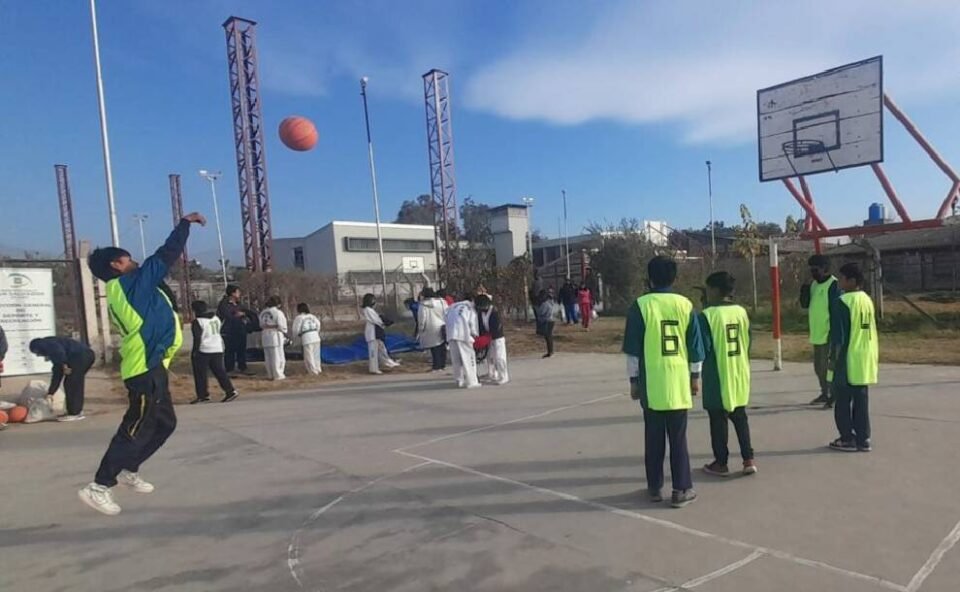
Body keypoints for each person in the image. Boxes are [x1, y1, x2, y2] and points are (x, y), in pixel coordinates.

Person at [80, 211, 206, 516]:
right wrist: (185, 224)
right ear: (116, 265)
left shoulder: (129, 287)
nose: (134, 262)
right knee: (136, 426)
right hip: (143, 367)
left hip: (153, 365)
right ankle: (99, 485)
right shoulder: (130, 283)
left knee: (165, 423)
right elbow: (166, 254)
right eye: (128, 259)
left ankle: (128, 469)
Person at [622, 255, 705, 508]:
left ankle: (655, 486)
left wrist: (634, 381)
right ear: (674, 278)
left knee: (653, 437)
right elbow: (695, 348)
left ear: (648, 279)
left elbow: (633, 350)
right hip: (678, 381)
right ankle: (681, 489)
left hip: (652, 383)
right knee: (678, 438)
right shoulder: (685, 304)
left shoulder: (640, 306)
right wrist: (695, 377)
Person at [698, 272, 757, 477]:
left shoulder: (707, 315)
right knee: (740, 416)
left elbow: (702, 347)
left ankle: (721, 462)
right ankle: (748, 459)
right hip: (739, 369)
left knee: (718, 418)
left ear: (714, 290)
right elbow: (749, 340)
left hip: (717, 372)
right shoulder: (741, 311)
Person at [828, 263, 878, 452]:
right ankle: (863, 438)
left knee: (842, 400)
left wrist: (833, 361)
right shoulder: (866, 299)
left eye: (842, 278)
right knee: (861, 399)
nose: (840, 282)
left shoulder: (842, 302)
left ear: (852, 281)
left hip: (849, 356)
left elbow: (838, 337)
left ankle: (847, 438)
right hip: (866, 354)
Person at [800, 255, 841, 408]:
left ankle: (832, 394)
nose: (812, 272)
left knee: (829, 367)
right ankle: (825, 392)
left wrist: (834, 334)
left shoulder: (833, 285)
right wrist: (804, 286)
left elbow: (836, 312)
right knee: (818, 367)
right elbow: (805, 304)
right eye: (810, 269)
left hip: (828, 333)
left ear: (824, 268)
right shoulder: (813, 285)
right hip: (816, 334)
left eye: (815, 269)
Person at [29, 336, 96, 421]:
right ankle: (74, 411)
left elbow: (59, 353)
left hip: (81, 356)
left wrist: (64, 364)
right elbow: (57, 374)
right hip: (84, 356)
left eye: (37, 352)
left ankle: (75, 413)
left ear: (39, 347)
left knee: (72, 383)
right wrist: (51, 392)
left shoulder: (49, 344)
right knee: (73, 382)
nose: (38, 355)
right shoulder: (54, 351)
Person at [189, 301, 238, 404]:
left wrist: (194, 351)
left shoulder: (198, 321)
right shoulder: (215, 318)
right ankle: (230, 390)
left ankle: (203, 395)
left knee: (200, 373)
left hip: (204, 349)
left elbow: (197, 338)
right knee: (219, 371)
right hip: (217, 347)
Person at [445, 293, 480, 388]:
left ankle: (459, 380)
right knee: (468, 358)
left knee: (456, 359)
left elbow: (445, 318)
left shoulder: (452, 306)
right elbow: (472, 323)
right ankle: (472, 382)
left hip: (451, 334)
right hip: (464, 335)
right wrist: (475, 334)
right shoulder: (470, 308)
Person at [218, 285, 253, 376]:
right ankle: (229, 369)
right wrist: (235, 315)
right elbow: (227, 315)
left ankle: (243, 367)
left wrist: (244, 315)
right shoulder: (224, 304)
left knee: (241, 349)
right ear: (232, 293)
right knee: (230, 350)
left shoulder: (238, 303)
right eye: (238, 292)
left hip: (240, 329)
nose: (239, 294)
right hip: (229, 330)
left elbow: (246, 312)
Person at [361, 294, 399, 374]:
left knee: (381, 350)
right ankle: (374, 369)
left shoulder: (370, 310)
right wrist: (383, 322)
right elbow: (376, 320)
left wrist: (384, 322)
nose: (374, 302)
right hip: (372, 334)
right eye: (373, 300)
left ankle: (387, 363)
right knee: (373, 352)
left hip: (376, 333)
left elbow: (378, 319)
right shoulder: (367, 309)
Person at [476, 294, 508, 385]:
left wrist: (490, 335)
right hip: (487, 337)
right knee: (490, 357)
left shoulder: (495, 312)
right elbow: (481, 326)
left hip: (497, 337)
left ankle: (503, 376)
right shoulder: (481, 313)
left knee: (499, 357)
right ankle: (492, 373)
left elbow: (497, 326)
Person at [417, 287, 448, 372]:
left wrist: (421, 329)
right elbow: (446, 313)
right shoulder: (442, 302)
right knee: (442, 346)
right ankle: (442, 365)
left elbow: (422, 318)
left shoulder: (423, 305)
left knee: (434, 348)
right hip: (441, 325)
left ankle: (436, 366)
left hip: (430, 327)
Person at [259, 296, 288, 381]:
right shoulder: (278, 313)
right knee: (277, 356)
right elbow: (282, 326)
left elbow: (261, 325)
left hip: (265, 335)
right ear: (278, 304)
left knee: (268, 357)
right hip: (274, 335)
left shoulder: (263, 313)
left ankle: (270, 374)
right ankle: (278, 374)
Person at [292, 303, 322, 376]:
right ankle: (318, 369)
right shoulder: (312, 316)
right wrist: (316, 332)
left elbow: (296, 329)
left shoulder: (299, 318)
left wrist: (296, 336)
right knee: (316, 355)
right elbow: (318, 325)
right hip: (315, 336)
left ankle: (313, 372)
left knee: (309, 356)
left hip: (307, 337)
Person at [536, 290, 558, 358]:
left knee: (548, 337)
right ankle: (550, 351)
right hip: (551, 320)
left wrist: (538, 312)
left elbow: (541, 312)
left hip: (547, 321)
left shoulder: (545, 304)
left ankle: (550, 352)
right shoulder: (551, 302)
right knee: (549, 336)